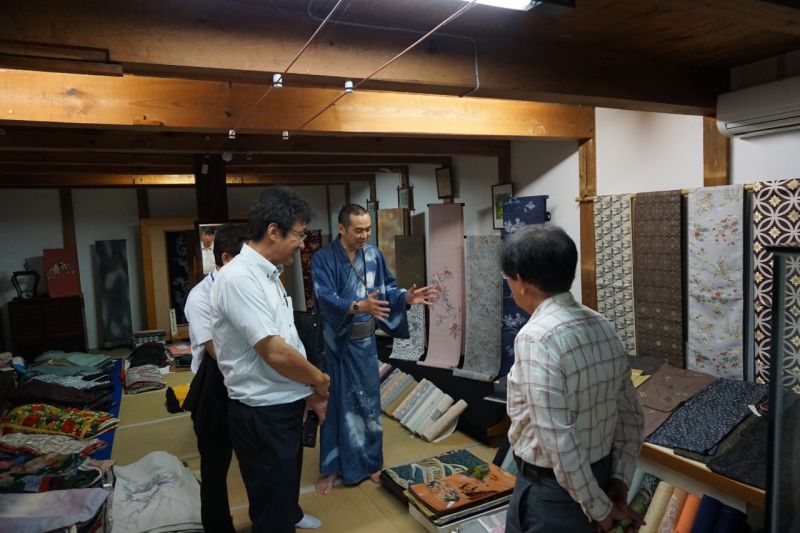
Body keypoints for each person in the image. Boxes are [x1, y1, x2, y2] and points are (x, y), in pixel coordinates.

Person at [501, 225, 645, 533]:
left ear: (521, 282)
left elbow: (559, 441)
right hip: (601, 478)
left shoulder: (535, 338)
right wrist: (619, 480)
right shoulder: (603, 325)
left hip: (554, 492)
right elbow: (631, 416)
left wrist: (600, 510)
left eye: (508, 279)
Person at [211, 186, 330, 533]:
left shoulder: (268, 274)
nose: (302, 244)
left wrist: (306, 391)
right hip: (262, 412)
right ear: (273, 231)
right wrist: (319, 380)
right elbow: (275, 351)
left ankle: (289, 515)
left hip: (283, 403)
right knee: (271, 510)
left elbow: (287, 338)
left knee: (283, 492)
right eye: (299, 235)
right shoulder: (239, 278)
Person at [312, 204, 438, 494]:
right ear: (342, 228)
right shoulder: (323, 259)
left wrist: (405, 297)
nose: (364, 235)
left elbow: (387, 288)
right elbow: (325, 298)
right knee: (337, 405)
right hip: (338, 345)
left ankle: (370, 464)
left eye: (368, 229)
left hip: (365, 344)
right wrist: (359, 306)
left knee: (368, 403)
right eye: (358, 230)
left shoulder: (373, 255)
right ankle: (333, 468)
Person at [184, 223, 247, 533]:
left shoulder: (247, 286)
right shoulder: (199, 297)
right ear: (226, 259)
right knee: (215, 469)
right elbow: (216, 351)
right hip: (214, 389)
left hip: (245, 385)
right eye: (246, 260)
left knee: (256, 464)